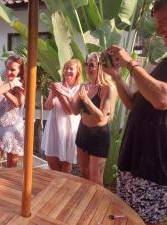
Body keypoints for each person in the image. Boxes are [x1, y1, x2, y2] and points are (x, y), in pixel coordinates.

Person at [103, 1, 167, 224]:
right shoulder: (163, 64)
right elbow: (132, 102)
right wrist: (117, 76)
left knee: (143, 221)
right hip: (131, 161)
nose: (159, 30)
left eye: (165, 22)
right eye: (158, 24)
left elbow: (162, 99)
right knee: (125, 219)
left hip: (153, 169)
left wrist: (130, 62)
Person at [53, 52, 116, 185]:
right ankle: (85, 205)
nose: (88, 68)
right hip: (83, 132)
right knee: (83, 173)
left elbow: (101, 118)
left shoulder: (108, 88)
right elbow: (75, 111)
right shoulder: (84, 86)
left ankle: (97, 206)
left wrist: (86, 99)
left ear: (101, 66)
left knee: (96, 179)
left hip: (99, 136)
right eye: (87, 64)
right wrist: (67, 96)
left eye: (92, 65)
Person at [41, 59, 82, 173]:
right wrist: (53, 94)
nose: (68, 71)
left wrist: (60, 95)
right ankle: (56, 182)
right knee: (50, 158)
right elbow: (48, 106)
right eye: (66, 68)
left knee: (65, 162)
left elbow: (70, 111)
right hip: (54, 126)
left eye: (71, 69)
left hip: (68, 128)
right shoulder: (57, 85)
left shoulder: (79, 88)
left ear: (77, 72)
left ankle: (63, 185)